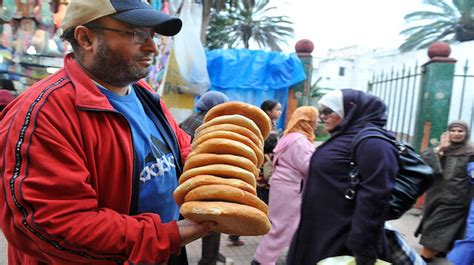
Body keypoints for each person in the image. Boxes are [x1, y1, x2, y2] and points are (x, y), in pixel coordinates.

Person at [0, 1, 215, 264]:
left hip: (159, 252)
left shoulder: (143, 94)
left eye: (153, 35)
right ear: (86, 38)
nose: (152, 47)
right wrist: (166, 235)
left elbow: (179, 150)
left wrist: (215, 167)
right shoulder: (43, 115)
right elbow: (54, 225)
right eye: (137, 34)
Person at [287, 89, 398, 265]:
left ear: (351, 110)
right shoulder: (344, 136)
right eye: (321, 111)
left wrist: (362, 248)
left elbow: (376, 198)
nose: (323, 117)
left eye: (329, 111)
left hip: (342, 237)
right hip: (320, 228)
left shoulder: (374, 143)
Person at [252, 106, 318, 265]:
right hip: (291, 189)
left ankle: (265, 258)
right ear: (307, 122)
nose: (317, 124)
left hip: (281, 187)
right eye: (315, 121)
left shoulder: (290, 136)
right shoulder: (300, 141)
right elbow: (309, 167)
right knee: (281, 228)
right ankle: (263, 260)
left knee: (278, 225)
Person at [179, 91, 231, 265]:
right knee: (213, 221)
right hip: (208, 178)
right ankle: (209, 259)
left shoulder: (188, 120)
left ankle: (207, 255)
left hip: (186, 179)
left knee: (182, 221)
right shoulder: (212, 124)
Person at [415, 121, 474, 262]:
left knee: (436, 226)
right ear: (447, 133)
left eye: (460, 131)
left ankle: (425, 257)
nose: (457, 134)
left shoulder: (471, 151)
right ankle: (440, 250)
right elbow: (423, 163)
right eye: (453, 131)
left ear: (466, 133)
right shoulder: (442, 148)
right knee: (436, 223)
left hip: (458, 197)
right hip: (436, 196)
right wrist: (441, 148)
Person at [228, 100, 282, 247]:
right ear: (268, 111)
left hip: (262, 173)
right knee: (253, 205)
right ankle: (236, 231)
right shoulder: (259, 124)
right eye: (277, 109)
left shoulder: (273, 125)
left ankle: (237, 232)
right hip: (258, 174)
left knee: (256, 205)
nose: (280, 112)